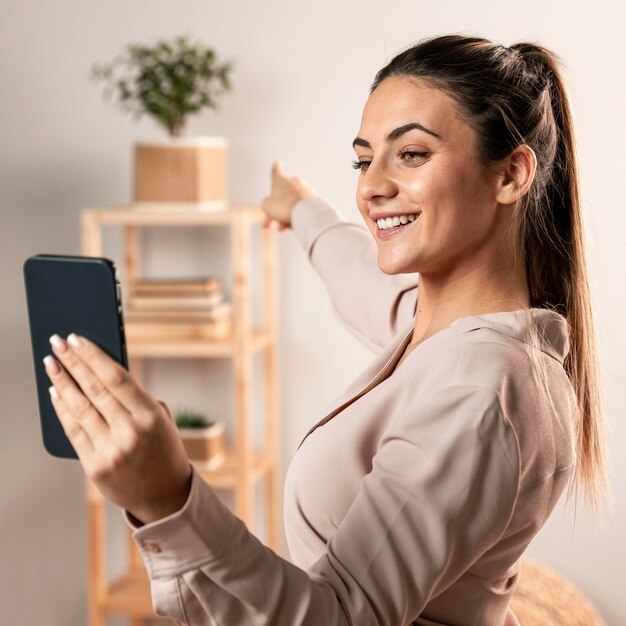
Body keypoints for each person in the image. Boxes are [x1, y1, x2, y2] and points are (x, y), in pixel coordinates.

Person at [44, 34, 611, 625]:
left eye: (411, 154)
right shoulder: (448, 332)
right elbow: (363, 281)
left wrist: (168, 500)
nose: (371, 186)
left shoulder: (477, 390)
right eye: (364, 160)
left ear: (512, 174)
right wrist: (301, 209)